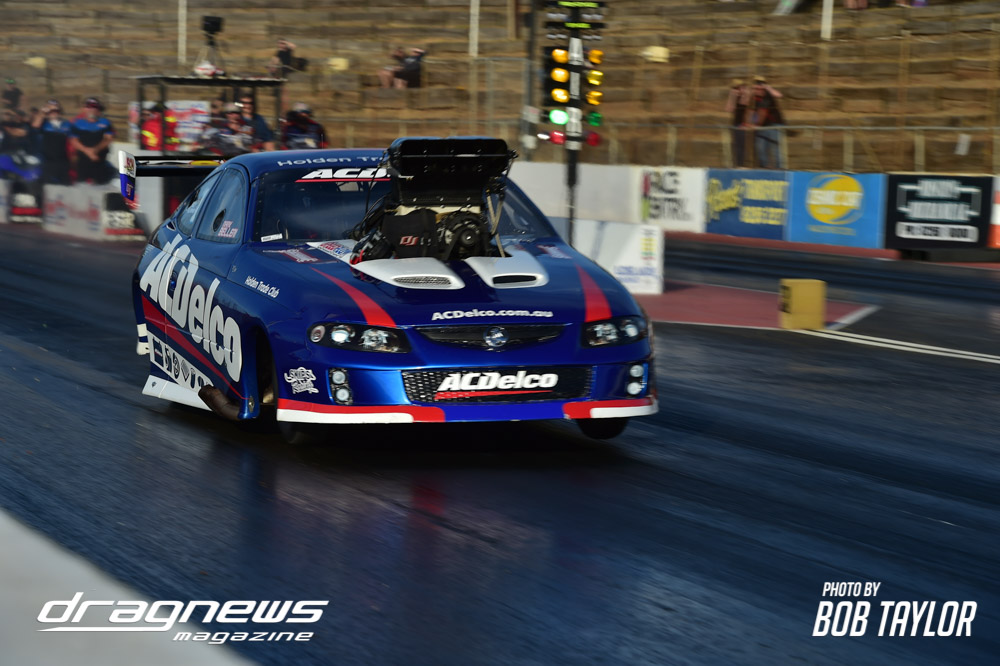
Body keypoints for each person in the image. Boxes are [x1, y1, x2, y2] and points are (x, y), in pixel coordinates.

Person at [70, 96, 115, 184]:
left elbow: (108, 139)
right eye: (88, 106)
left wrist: (96, 150)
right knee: (81, 184)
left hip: (99, 159)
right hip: (83, 160)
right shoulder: (77, 123)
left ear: (98, 109)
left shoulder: (105, 122)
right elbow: (73, 140)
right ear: (83, 109)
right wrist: (87, 151)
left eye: (94, 106)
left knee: (101, 184)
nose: (91, 109)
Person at [30, 99, 72, 184]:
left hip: (63, 160)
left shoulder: (67, 123)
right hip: (48, 160)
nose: (53, 112)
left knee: (66, 185)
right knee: (48, 185)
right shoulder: (43, 123)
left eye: (56, 110)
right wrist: (43, 112)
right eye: (50, 110)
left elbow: (72, 140)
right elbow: (35, 125)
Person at [749, 76, 785, 169]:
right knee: (760, 148)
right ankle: (764, 167)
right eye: (756, 84)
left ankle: (779, 168)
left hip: (774, 124)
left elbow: (779, 95)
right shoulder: (754, 97)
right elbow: (750, 110)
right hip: (762, 126)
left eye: (760, 84)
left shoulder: (768, 95)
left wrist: (768, 88)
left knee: (775, 148)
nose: (758, 87)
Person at [725, 79, 750, 167]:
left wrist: (743, 93)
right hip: (736, 124)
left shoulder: (744, 96)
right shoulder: (735, 97)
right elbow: (729, 109)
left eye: (738, 88)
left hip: (742, 124)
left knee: (741, 145)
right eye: (735, 88)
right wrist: (732, 96)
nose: (736, 90)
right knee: (737, 145)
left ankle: (741, 163)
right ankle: (738, 163)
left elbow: (744, 104)